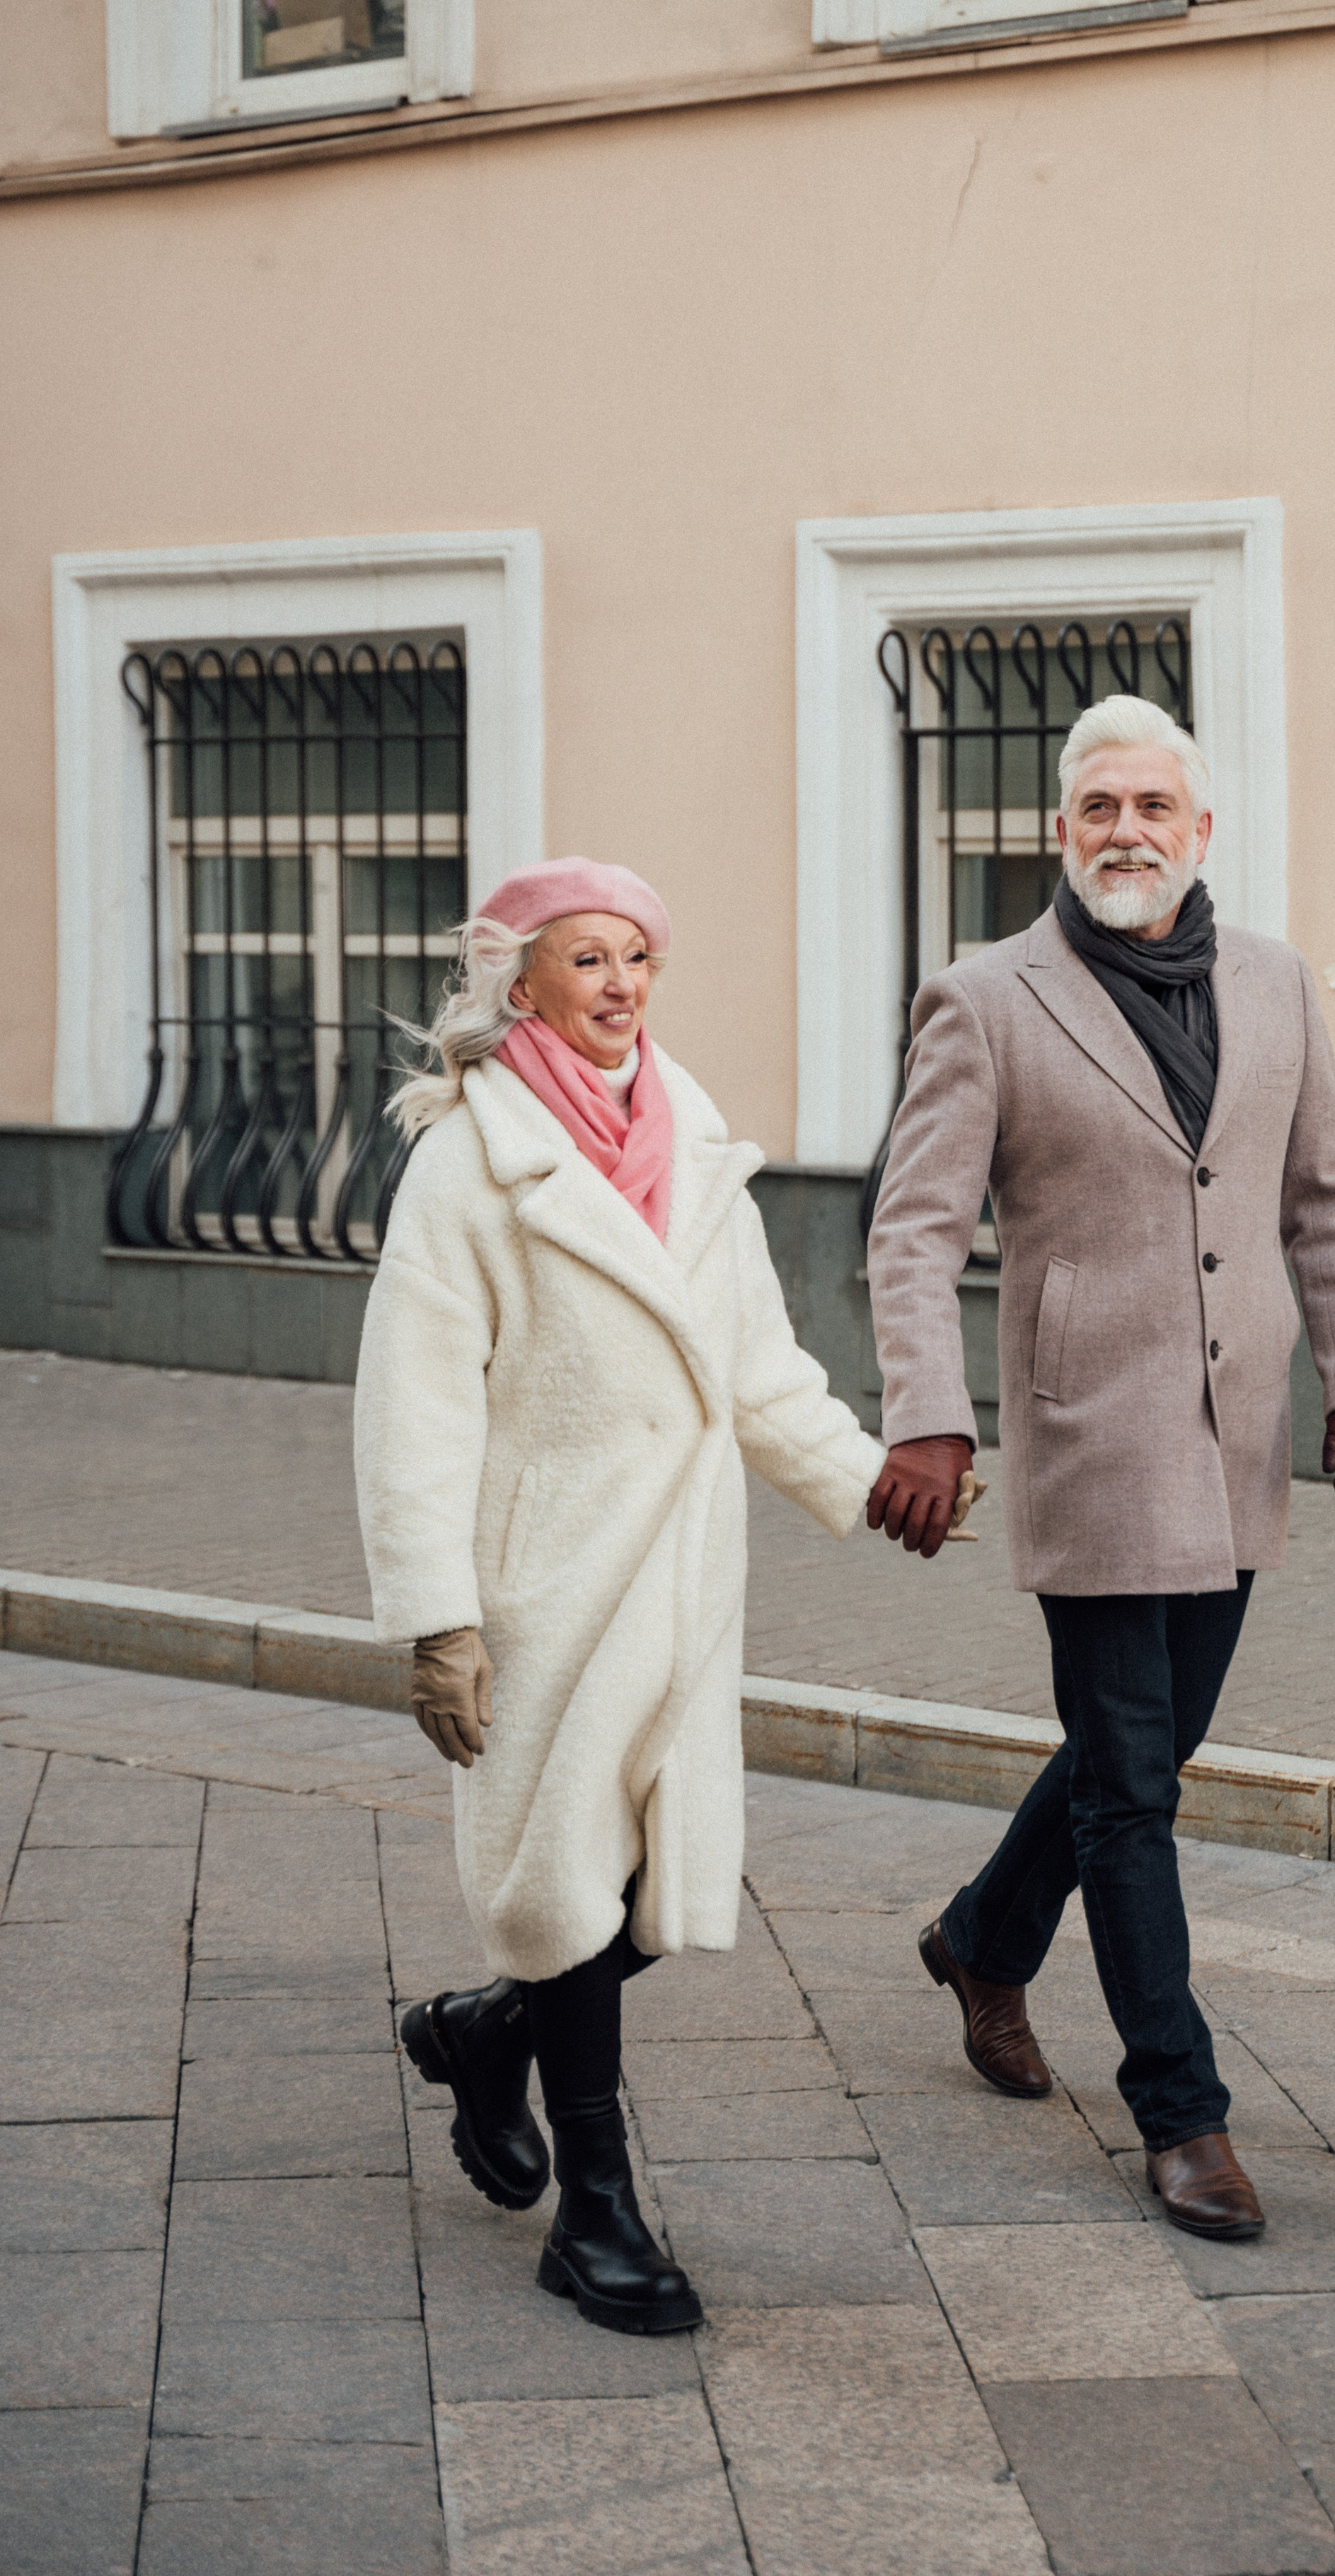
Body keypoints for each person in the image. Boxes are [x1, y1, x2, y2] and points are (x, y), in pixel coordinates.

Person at [864, 696, 1335, 2242]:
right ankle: (1182, 2108)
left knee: (1137, 1762)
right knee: (1130, 1799)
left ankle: (983, 1938)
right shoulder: (984, 997)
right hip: (1088, 1441)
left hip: (1235, 1446)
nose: (1125, 830)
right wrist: (928, 1410)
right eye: (1096, 805)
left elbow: (1329, 1196)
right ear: (1058, 829)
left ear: (1199, 828)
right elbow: (912, 1228)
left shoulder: (1276, 982)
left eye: (1152, 806)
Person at [354, 857, 883, 2332]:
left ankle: (481, 2031)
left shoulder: (698, 1145)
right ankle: (595, 2208)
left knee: (650, 1895)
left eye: (636, 955)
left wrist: (866, 1482)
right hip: (544, 1587)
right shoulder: (470, 1165)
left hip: (681, 1582)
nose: (618, 983)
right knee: (569, 1896)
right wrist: (435, 1616)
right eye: (585, 959)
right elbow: (414, 1407)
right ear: (520, 983)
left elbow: (758, 1366)